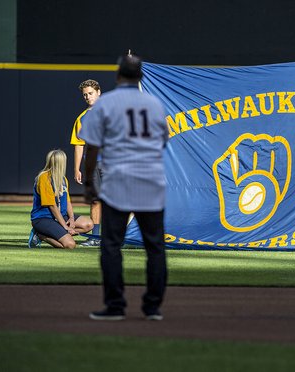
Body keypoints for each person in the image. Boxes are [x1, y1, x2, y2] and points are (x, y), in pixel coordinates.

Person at [80, 54, 169, 321]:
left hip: (118, 181)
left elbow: (92, 148)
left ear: (118, 75)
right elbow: (163, 141)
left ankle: (115, 306)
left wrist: (88, 183)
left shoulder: (106, 103)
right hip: (151, 182)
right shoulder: (154, 104)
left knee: (111, 246)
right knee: (155, 248)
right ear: (140, 76)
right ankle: (152, 308)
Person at [28, 149, 93, 249]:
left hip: (61, 216)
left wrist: (71, 219)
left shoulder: (63, 178)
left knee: (88, 224)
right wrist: (65, 227)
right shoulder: (44, 178)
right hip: (43, 218)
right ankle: (41, 235)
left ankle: (60, 233)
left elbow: (67, 201)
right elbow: (52, 206)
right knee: (70, 245)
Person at [70, 79, 103, 246]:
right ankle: (96, 237)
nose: (88, 97)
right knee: (96, 201)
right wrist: (77, 168)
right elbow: (78, 145)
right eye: (85, 95)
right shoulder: (82, 118)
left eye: (90, 93)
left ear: (99, 92)